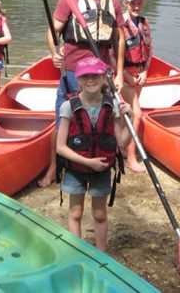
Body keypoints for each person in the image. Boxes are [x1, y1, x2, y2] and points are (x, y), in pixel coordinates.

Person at [37, 0, 126, 188]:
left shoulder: (114, 2)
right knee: (63, 119)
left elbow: (119, 38)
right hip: (73, 71)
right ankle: (53, 169)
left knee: (102, 121)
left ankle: (98, 161)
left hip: (101, 74)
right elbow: (53, 30)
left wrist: (118, 73)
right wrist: (54, 52)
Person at [56, 56, 132, 252]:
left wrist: (128, 117)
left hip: (102, 169)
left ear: (104, 79)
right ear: (78, 80)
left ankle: (101, 254)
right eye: (85, 77)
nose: (90, 80)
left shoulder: (112, 106)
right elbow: (60, 147)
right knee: (76, 212)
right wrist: (88, 162)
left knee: (99, 214)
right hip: (76, 168)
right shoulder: (68, 107)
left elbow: (121, 142)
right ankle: (77, 251)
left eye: (95, 76)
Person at [120, 0, 152, 173]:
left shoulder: (144, 23)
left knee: (127, 112)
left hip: (139, 75)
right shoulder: (120, 25)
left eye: (139, 2)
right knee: (136, 114)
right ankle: (131, 158)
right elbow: (114, 56)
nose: (136, 6)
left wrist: (145, 71)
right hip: (124, 77)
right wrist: (125, 77)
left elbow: (150, 51)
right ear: (125, 2)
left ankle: (122, 148)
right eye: (133, 2)